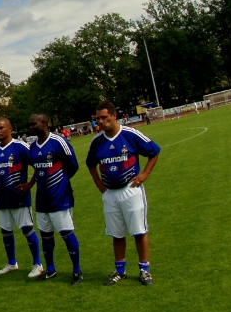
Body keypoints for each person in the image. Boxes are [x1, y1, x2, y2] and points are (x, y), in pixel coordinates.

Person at [86, 100, 161, 286]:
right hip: (110, 193)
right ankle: (120, 270)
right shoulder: (97, 142)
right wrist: (97, 182)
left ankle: (144, 270)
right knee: (117, 234)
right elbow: (90, 164)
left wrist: (145, 173)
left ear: (114, 115)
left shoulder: (130, 134)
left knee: (138, 231)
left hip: (131, 189)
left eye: (104, 117)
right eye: (98, 119)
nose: (100, 122)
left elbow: (154, 151)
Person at [21, 114, 82, 284]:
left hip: (59, 197)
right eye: (29, 124)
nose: (31, 127)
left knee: (66, 233)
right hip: (42, 199)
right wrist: (31, 184)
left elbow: (73, 165)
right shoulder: (32, 147)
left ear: (44, 123)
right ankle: (51, 269)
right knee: (46, 235)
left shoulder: (58, 141)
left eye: (34, 124)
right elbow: (37, 169)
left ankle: (77, 270)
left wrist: (63, 183)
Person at [0, 118, 42, 278]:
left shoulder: (21, 147)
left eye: (1, 128)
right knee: (5, 231)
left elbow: (38, 166)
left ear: (10, 129)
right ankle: (12, 263)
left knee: (27, 229)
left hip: (19, 197)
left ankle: (37, 264)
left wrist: (29, 184)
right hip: (3, 199)